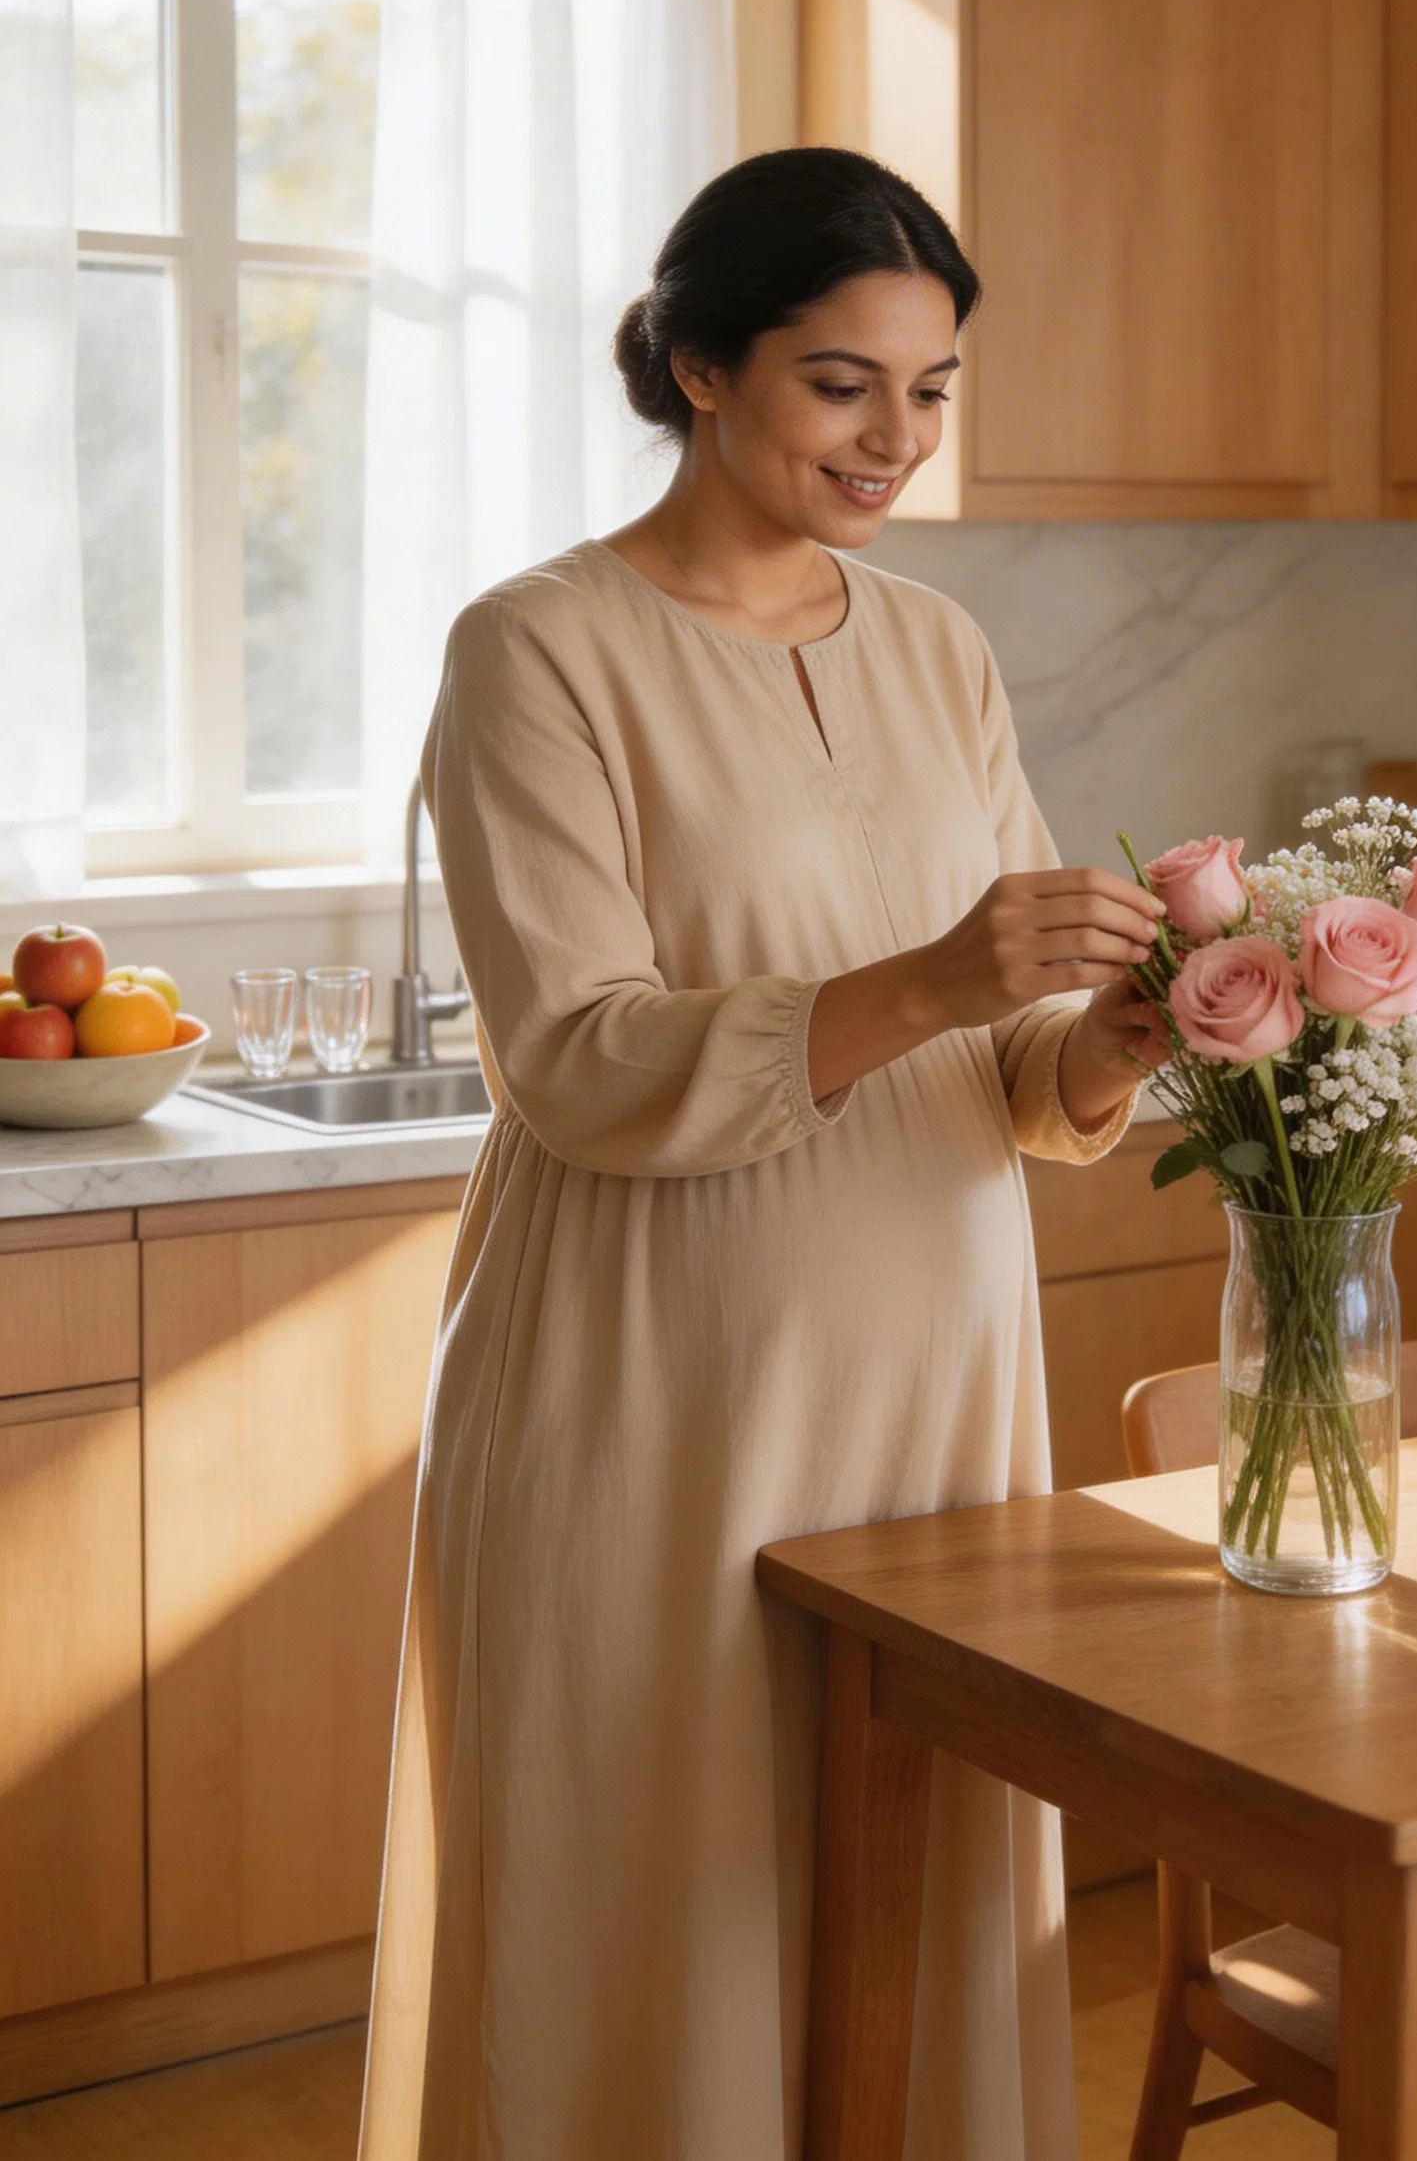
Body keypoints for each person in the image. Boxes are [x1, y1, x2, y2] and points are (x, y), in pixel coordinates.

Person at [358, 147, 1167, 2161]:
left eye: (931, 389)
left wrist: (1112, 1044)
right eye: (839, 383)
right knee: (664, 1893)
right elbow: (575, 1060)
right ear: (696, 367)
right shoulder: (533, 650)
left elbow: (1003, 1067)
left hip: (933, 1374)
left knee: (918, 1886)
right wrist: (931, 974)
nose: (892, 438)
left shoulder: (936, 650)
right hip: (659, 1380)